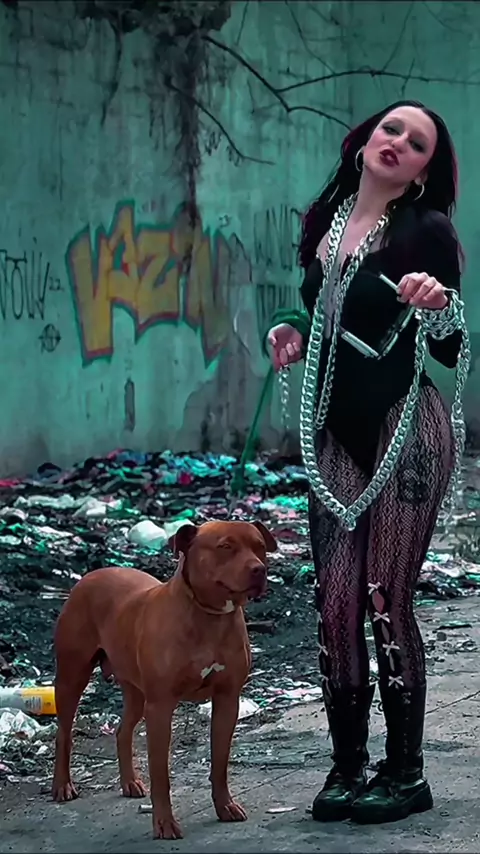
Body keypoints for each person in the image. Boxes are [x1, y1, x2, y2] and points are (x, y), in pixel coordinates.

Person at [267, 100, 469, 825]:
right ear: (365, 142)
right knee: (334, 602)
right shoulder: (327, 221)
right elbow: (323, 309)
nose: (398, 143)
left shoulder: (426, 230)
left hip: (405, 425)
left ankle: (406, 773)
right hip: (336, 431)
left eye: (416, 144)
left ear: (422, 173)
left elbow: (448, 342)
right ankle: (347, 768)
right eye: (392, 129)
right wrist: (289, 328)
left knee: (386, 595)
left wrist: (436, 301)